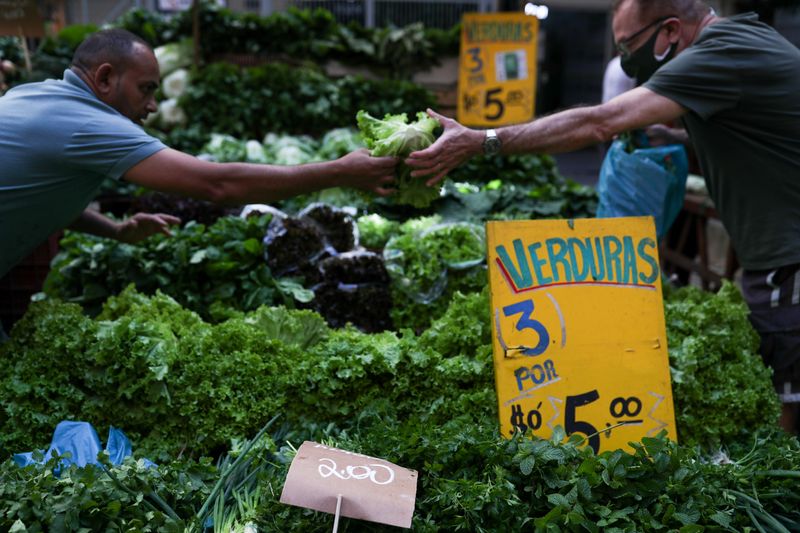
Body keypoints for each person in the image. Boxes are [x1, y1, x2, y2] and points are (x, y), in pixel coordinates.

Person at [406, 0, 800, 434]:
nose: (626, 59)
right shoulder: (743, 38)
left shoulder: (719, 52)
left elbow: (600, 122)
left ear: (670, 31)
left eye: (629, 45)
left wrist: (483, 141)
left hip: (789, 255)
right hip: (778, 247)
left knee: (784, 402)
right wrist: (673, 133)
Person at [0, 28, 397, 281]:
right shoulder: (88, 123)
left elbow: (44, 193)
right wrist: (340, 172)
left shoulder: (33, 93)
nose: (153, 106)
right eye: (147, 89)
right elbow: (217, 184)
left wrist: (116, 230)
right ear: (105, 78)